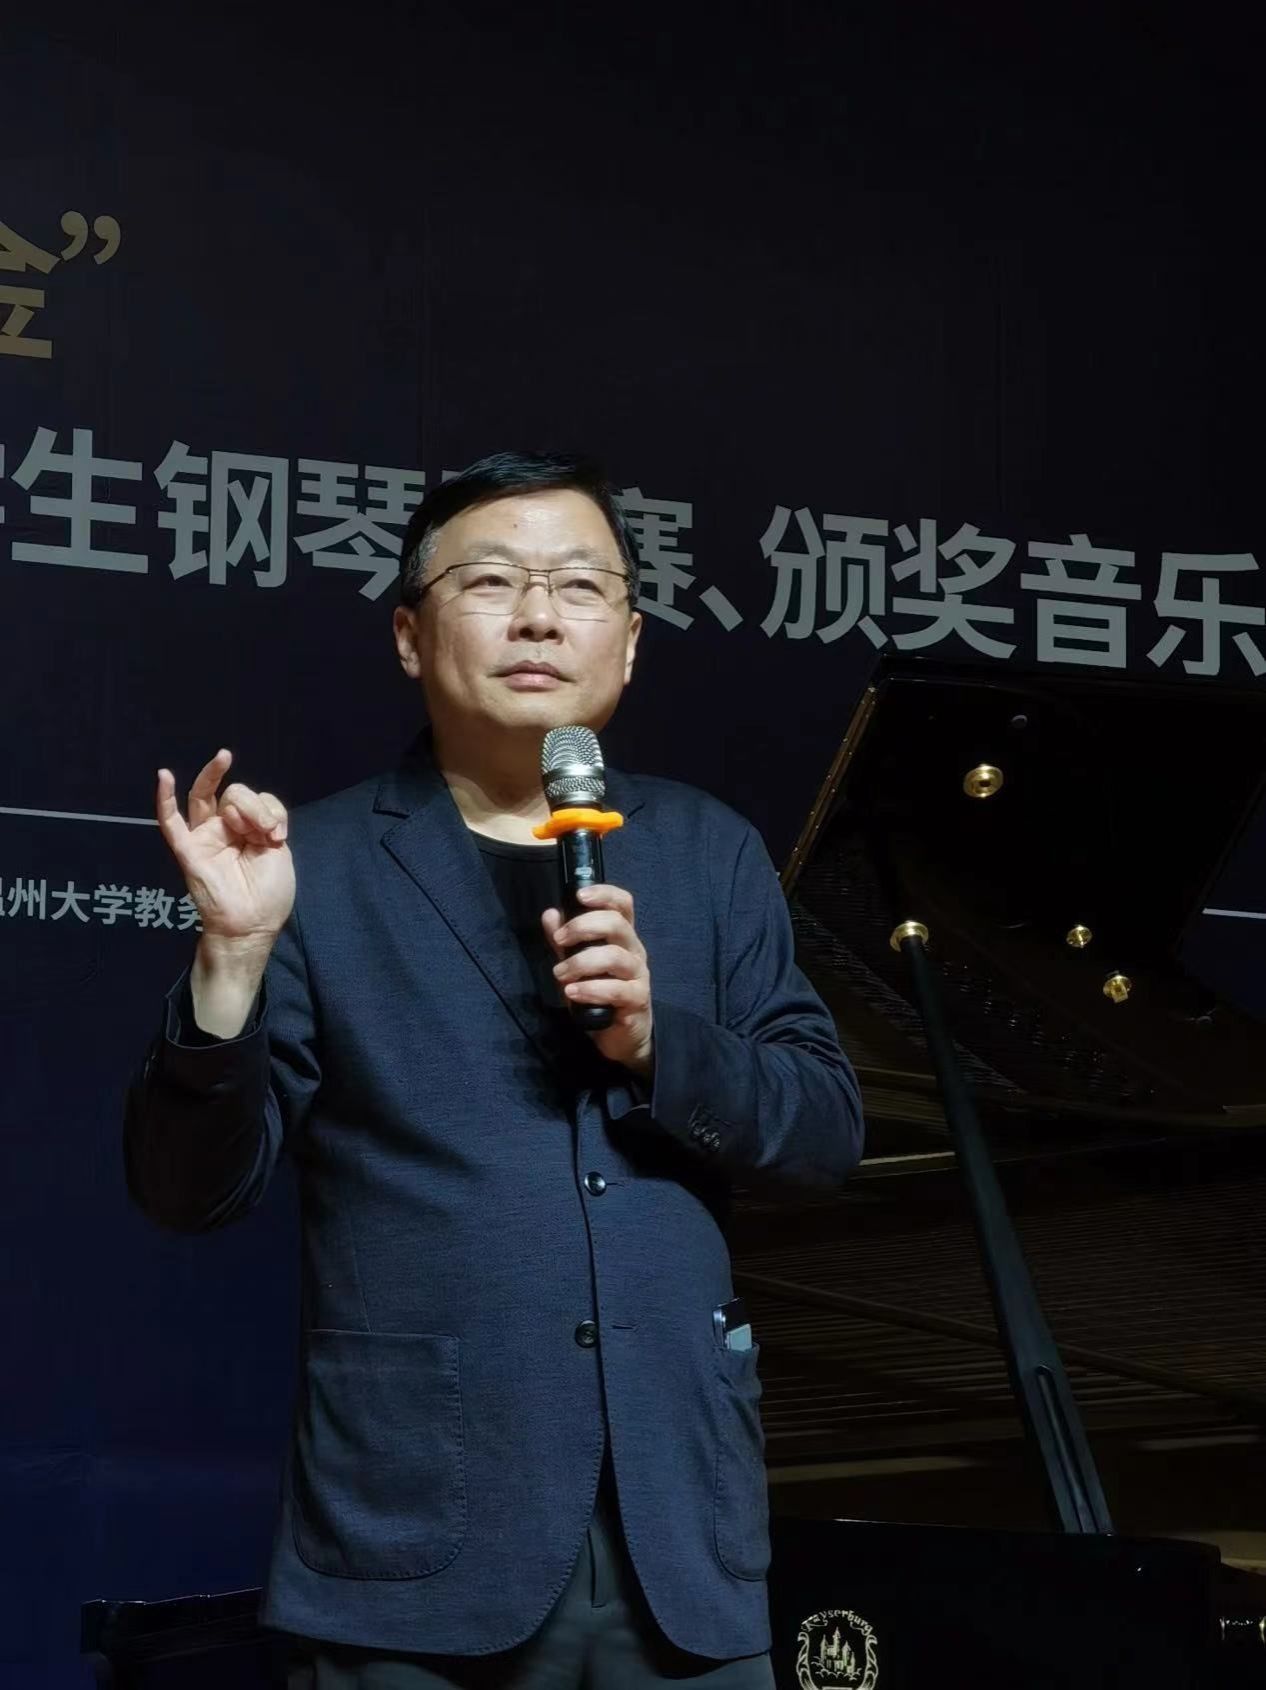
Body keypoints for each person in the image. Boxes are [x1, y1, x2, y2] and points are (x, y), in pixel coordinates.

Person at [124, 451, 864, 1689]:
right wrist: (234, 959)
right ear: (410, 635)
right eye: (492, 581)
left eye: (579, 585)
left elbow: (826, 1130)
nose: (538, 616)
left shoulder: (707, 850)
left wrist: (658, 1043)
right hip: (419, 1535)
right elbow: (186, 1190)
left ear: (630, 640)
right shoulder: (322, 865)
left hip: (681, 1539)